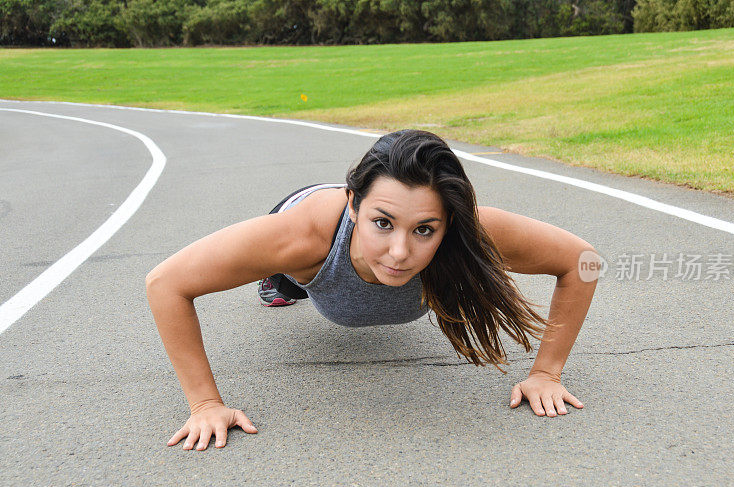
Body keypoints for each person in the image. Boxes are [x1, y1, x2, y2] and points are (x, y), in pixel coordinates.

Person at [146, 129, 599, 452]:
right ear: (354, 206)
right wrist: (205, 404)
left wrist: (547, 373)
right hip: (307, 233)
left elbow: (584, 262)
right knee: (287, 282)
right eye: (383, 224)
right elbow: (166, 283)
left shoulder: (468, 233)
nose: (400, 252)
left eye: (424, 229)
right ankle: (281, 279)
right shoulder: (300, 238)